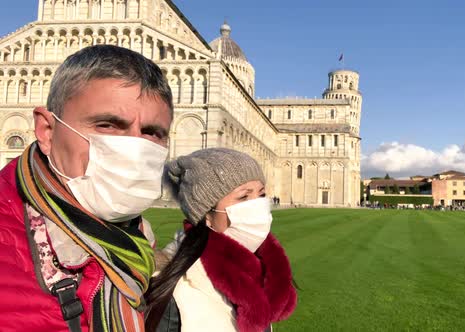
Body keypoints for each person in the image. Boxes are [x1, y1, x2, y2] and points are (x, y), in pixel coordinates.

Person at [0, 45, 174, 332]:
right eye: (107, 125)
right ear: (47, 131)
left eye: (152, 133)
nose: (134, 148)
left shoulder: (135, 242)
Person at [145, 148, 297, 332]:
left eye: (261, 195)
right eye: (243, 197)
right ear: (206, 214)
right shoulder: (175, 296)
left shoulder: (256, 275)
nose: (258, 206)